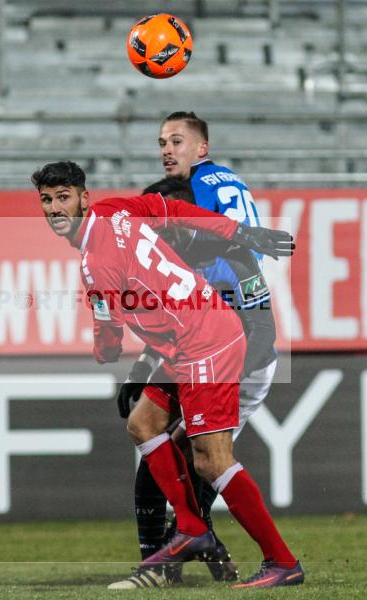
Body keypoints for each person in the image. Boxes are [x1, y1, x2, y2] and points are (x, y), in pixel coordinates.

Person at [31, 161, 304, 590]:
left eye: (63, 197)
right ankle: (193, 530)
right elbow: (175, 211)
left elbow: (108, 338)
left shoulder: (95, 264)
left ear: (84, 198)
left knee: (211, 461)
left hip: (206, 345)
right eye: (46, 200)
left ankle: (282, 561)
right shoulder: (116, 210)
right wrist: (239, 232)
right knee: (143, 423)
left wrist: (105, 351)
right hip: (194, 338)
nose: (54, 209)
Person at [116, 112, 282, 588]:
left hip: (241, 358)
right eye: (161, 142)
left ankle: (187, 551)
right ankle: (173, 553)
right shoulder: (173, 259)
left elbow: (261, 332)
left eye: (177, 141)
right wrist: (146, 365)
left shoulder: (226, 255)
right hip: (203, 353)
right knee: (149, 430)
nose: (167, 149)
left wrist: (211, 384)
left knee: (200, 455)